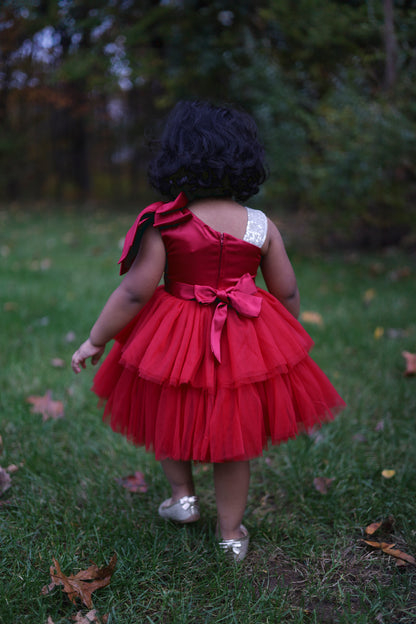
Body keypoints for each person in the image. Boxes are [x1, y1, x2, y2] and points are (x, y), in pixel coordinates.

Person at [71, 100, 345, 561]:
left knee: (168, 412)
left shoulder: (166, 222)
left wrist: (97, 338)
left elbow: (135, 293)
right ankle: (231, 534)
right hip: (243, 337)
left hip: (174, 337)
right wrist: (287, 335)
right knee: (233, 440)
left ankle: (182, 498)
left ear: (176, 156)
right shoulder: (261, 225)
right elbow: (287, 289)